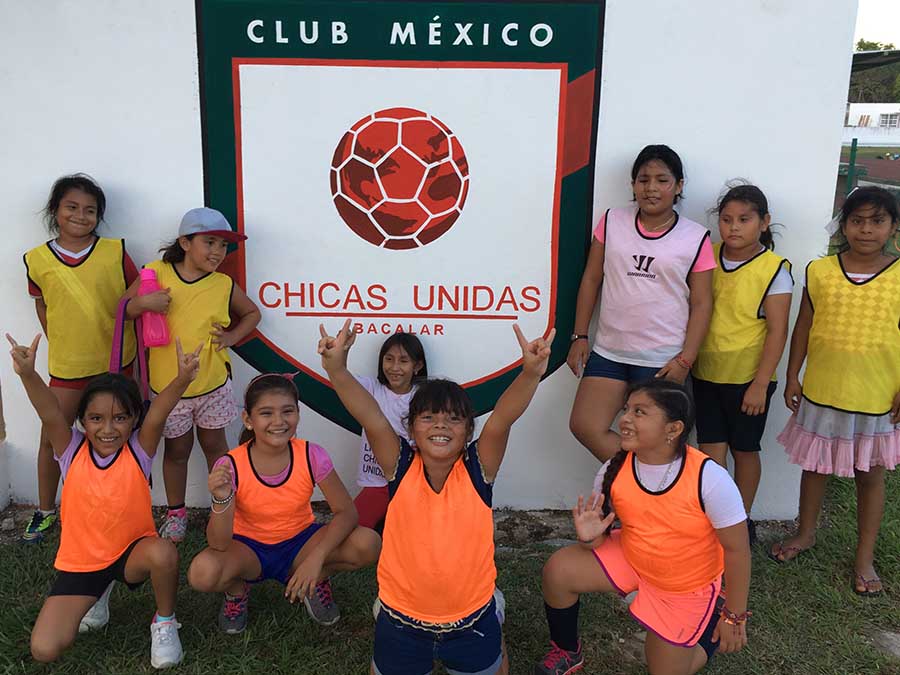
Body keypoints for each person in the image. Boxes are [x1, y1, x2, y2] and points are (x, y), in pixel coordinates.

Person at [321, 319, 552, 675]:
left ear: (468, 431)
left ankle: (494, 611)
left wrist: (530, 373)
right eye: (428, 418)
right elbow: (369, 415)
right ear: (411, 429)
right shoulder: (399, 464)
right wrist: (336, 369)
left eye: (454, 419)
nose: (441, 426)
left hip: (471, 620)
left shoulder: (478, 468)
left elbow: (502, 420)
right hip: (401, 620)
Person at [8, 333, 202, 669]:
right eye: (96, 419)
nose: (108, 429)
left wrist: (183, 378)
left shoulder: (139, 451)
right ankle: (99, 594)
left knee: (164, 552)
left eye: (120, 418)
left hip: (130, 555)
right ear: (83, 421)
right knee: (44, 648)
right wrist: (28, 373)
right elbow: (50, 411)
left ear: (133, 421)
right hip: (82, 564)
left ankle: (165, 622)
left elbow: (158, 411)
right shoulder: (71, 450)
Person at [536, 379, 750, 675]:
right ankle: (567, 651)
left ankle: (709, 623)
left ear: (672, 430)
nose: (624, 419)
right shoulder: (613, 470)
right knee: (558, 570)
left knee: (666, 668)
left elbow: (737, 549)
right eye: (626, 409)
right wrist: (590, 539)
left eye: (640, 412)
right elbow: (597, 541)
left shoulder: (710, 478)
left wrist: (733, 616)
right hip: (633, 557)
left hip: (684, 585)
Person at [771, 187, 900, 597]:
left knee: (870, 475)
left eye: (877, 221)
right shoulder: (820, 270)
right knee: (815, 465)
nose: (866, 229)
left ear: (893, 227)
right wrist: (792, 375)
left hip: (876, 394)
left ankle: (864, 557)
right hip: (823, 389)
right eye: (857, 220)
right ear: (843, 225)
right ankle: (805, 532)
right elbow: (804, 326)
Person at [187, 373, 381, 633]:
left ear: (298, 414)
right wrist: (221, 497)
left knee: (368, 542)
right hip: (249, 550)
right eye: (266, 413)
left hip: (300, 544)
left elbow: (347, 513)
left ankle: (315, 580)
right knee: (202, 572)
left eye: (287, 411)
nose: (278, 421)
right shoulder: (231, 464)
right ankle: (236, 592)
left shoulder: (311, 454)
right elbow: (219, 543)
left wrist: (315, 560)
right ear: (248, 420)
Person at [567, 145, 714, 462]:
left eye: (662, 180)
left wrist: (685, 360)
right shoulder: (612, 221)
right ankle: (634, 482)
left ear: (679, 186)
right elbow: (592, 279)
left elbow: (702, 304)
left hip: (662, 361)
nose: (651, 188)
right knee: (584, 425)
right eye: (643, 179)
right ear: (633, 184)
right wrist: (579, 336)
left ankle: (647, 501)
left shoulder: (696, 237)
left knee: (658, 444)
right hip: (610, 352)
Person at [124, 207, 261, 542]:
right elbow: (124, 309)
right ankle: (176, 513)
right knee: (177, 451)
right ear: (185, 242)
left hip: (212, 384)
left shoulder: (223, 284)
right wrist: (144, 304)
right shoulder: (155, 273)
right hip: (169, 388)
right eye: (209, 242)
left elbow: (252, 314)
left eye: (223, 246)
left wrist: (231, 337)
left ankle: (223, 504)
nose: (217, 252)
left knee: (216, 446)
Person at [21, 174, 140, 542]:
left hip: (116, 364)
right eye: (72, 207)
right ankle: (45, 510)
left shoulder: (115, 251)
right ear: (56, 210)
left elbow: (138, 291)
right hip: (68, 366)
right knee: (52, 438)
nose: (81, 215)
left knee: (123, 437)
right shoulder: (36, 259)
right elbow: (43, 305)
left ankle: (123, 506)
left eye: (90, 210)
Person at [692, 184, 793, 543]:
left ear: (764, 223)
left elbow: (778, 331)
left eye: (744, 220)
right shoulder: (707, 256)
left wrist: (760, 384)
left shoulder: (774, 269)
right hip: (705, 374)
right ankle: (714, 521)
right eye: (726, 219)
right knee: (710, 452)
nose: (734, 227)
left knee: (745, 450)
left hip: (749, 380)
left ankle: (742, 518)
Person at [352, 333, 427, 532]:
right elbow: (342, 380)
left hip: (411, 485)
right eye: (389, 359)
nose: (394, 368)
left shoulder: (424, 396)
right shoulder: (371, 388)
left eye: (403, 361)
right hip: (376, 484)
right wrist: (336, 358)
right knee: (350, 529)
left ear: (417, 366)